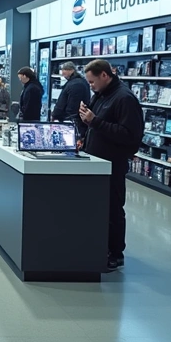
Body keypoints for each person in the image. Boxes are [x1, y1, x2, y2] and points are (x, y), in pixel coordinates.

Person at [78, 59, 145, 272]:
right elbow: (96, 125)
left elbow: (130, 136)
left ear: (105, 75)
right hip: (96, 162)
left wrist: (94, 121)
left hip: (112, 164)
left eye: (92, 82)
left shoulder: (124, 99)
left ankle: (116, 253)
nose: (90, 86)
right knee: (98, 209)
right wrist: (85, 124)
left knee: (113, 210)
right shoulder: (101, 94)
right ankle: (101, 247)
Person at [51, 61, 90, 138]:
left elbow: (64, 103)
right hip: (80, 121)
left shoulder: (74, 84)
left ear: (71, 70)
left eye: (64, 70)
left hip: (71, 121)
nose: (62, 73)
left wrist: (55, 115)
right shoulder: (82, 81)